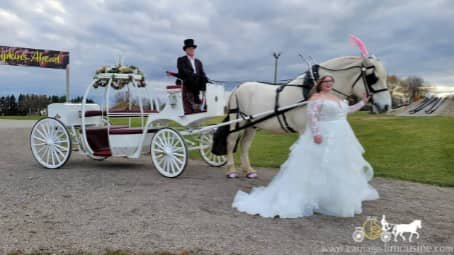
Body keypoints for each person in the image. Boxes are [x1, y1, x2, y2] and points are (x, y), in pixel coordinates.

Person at [232, 75, 379, 218]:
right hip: (325, 132)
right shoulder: (316, 98)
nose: (328, 84)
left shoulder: (337, 98)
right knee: (317, 164)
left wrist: (363, 102)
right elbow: (312, 116)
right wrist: (316, 133)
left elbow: (347, 111)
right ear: (320, 84)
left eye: (331, 82)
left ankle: (333, 196)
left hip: (341, 135)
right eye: (325, 82)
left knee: (338, 165)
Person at [177, 39, 209, 113]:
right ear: (186, 50)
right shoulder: (181, 60)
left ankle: (203, 103)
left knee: (206, 82)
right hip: (188, 83)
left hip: (197, 85)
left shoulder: (198, 62)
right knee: (194, 80)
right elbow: (183, 71)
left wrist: (206, 79)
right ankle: (195, 105)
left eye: (192, 48)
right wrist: (194, 76)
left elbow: (202, 73)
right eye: (189, 48)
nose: (191, 50)